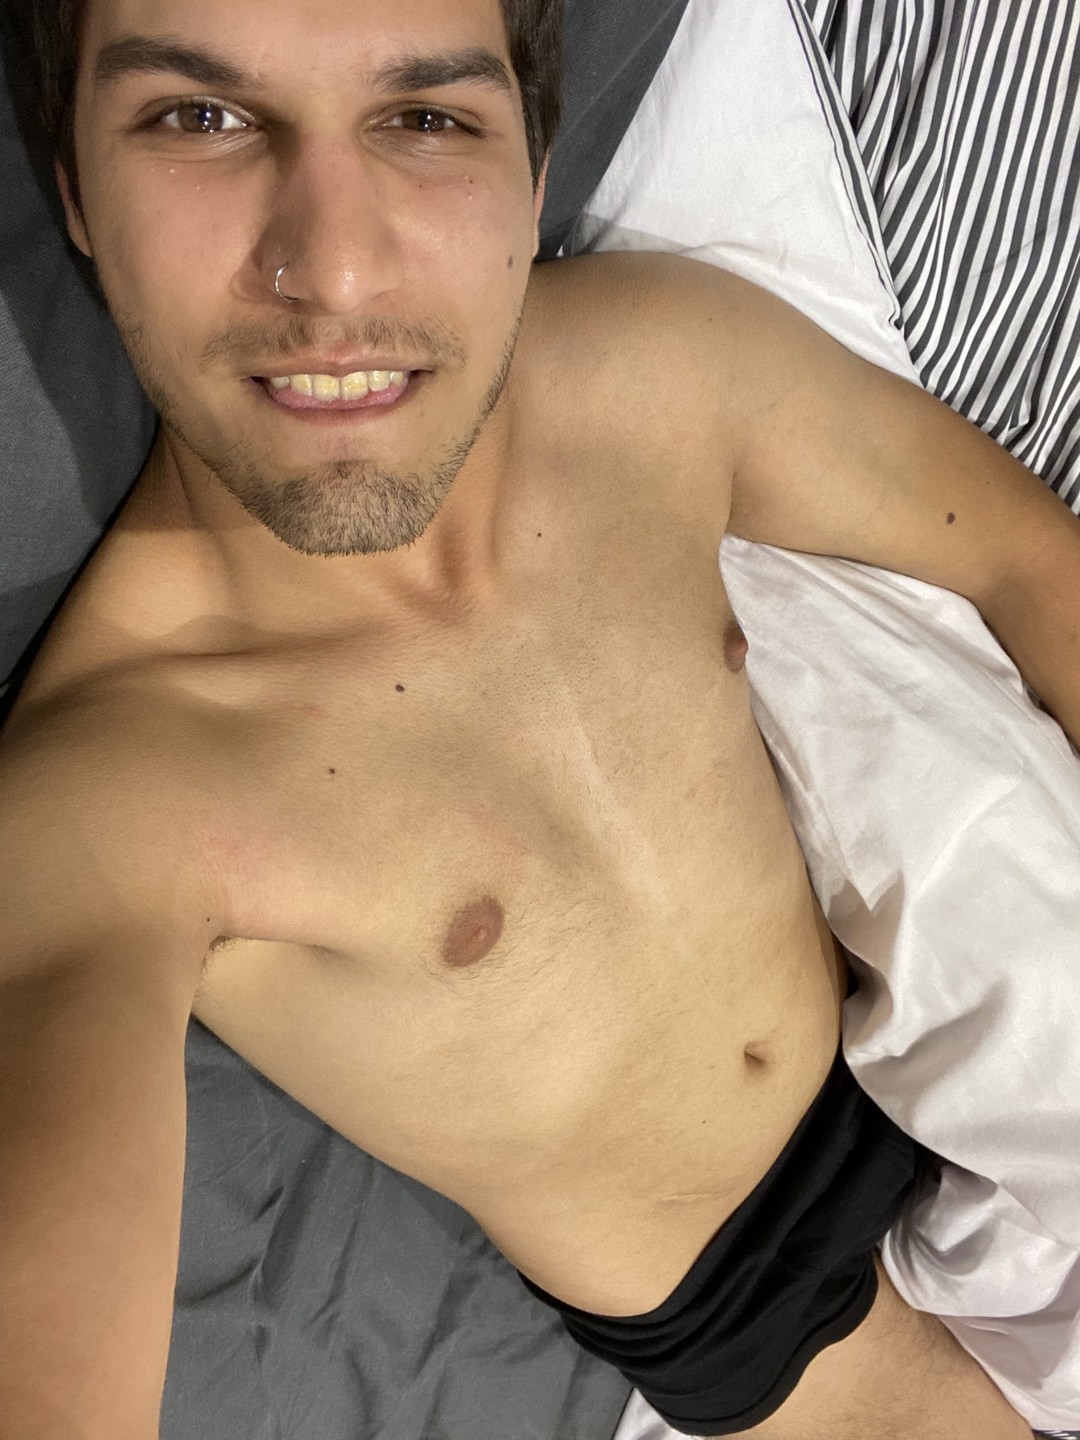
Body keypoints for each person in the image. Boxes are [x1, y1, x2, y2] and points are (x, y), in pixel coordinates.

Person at [1, 0, 1076, 1436]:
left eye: (425, 118)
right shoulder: (105, 805)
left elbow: (1024, 559)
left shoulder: (659, 368)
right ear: (74, 192)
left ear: (533, 168)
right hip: (805, 1348)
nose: (334, 267)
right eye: (200, 118)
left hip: (942, 1061)